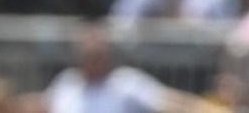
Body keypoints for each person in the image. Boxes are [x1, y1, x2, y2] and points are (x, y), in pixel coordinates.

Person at [45, 21, 221, 113]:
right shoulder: (66, 82)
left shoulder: (126, 83)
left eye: (96, 55)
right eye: (86, 55)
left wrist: (211, 109)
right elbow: (40, 104)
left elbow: (170, 102)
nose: (91, 60)